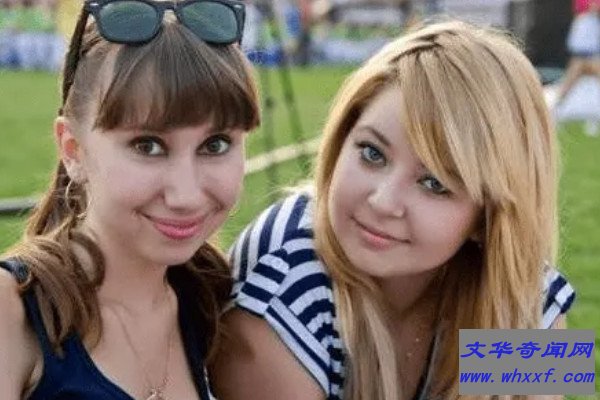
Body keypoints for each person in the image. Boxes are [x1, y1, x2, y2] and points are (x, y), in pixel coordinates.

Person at [209, 21, 576, 400]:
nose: (383, 202)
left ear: (487, 218)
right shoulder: (281, 281)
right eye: (372, 153)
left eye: (434, 184)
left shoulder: (522, 293)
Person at [0, 0, 259, 399]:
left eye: (215, 145)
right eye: (147, 146)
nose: (186, 195)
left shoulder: (215, 305)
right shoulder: (13, 311)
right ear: (73, 150)